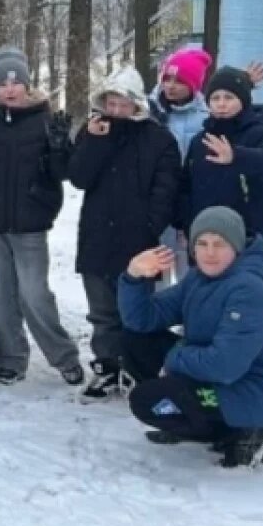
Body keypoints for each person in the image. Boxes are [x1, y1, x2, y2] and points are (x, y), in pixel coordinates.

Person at [119, 207, 263, 468]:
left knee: (147, 400)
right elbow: (142, 319)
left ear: (236, 247)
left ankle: (246, 432)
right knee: (135, 341)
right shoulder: (199, 279)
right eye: (202, 244)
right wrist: (134, 276)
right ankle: (203, 423)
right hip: (220, 372)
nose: (209, 252)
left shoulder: (247, 289)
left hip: (257, 390)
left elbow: (225, 366)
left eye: (219, 244)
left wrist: (174, 358)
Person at [0, 46, 83, 386]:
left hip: (30, 224)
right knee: (4, 295)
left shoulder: (43, 120)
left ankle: (64, 356)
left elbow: (62, 173)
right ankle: (11, 359)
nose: (10, 89)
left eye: (16, 83)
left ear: (27, 86)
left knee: (34, 293)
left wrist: (59, 146)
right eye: (2, 84)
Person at [67, 66, 180, 400]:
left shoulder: (159, 139)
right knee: (102, 311)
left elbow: (166, 190)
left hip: (138, 244)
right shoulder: (92, 134)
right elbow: (78, 178)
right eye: (110, 102)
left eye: (122, 103)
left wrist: (149, 228)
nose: (116, 110)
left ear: (136, 105)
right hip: (97, 237)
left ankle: (140, 368)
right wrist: (95, 143)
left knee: (138, 311)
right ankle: (106, 366)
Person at [179, 66, 263, 241]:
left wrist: (237, 156)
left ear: (243, 101)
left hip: (247, 238)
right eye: (215, 98)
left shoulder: (258, 133)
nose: (221, 104)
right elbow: (186, 187)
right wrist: (185, 224)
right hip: (203, 238)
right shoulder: (200, 140)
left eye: (229, 97)